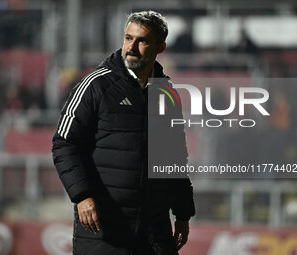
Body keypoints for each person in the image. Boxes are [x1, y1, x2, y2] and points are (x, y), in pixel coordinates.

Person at [52, 10, 195, 255]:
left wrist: (183, 213)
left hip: (154, 232)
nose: (132, 46)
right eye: (128, 38)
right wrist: (82, 196)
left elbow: (174, 158)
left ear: (160, 47)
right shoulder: (95, 85)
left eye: (142, 41)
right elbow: (64, 143)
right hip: (104, 231)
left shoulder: (167, 94)